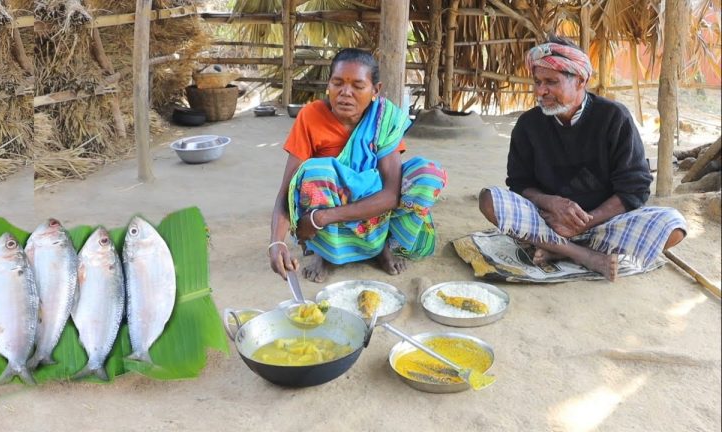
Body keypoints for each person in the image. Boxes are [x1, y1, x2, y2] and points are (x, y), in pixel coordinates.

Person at [478, 36, 687, 281]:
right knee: (489, 200)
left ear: (581, 81)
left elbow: (635, 188)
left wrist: (587, 222)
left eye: (551, 82)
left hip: (604, 224)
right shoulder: (528, 125)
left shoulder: (613, 117)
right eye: (537, 82)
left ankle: (558, 251)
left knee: (673, 226)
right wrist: (552, 202)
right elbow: (519, 184)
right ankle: (581, 254)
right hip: (548, 223)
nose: (540, 91)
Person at [268, 48, 447, 283]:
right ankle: (326, 254)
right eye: (338, 83)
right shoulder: (310, 116)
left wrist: (322, 218)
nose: (345, 93)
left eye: (358, 86)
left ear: (376, 90)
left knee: (427, 174)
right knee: (315, 172)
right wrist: (276, 240)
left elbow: (391, 194)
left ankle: (383, 246)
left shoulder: (384, 119)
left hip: (371, 208)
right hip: (330, 199)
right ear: (328, 85)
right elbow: (288, 189)